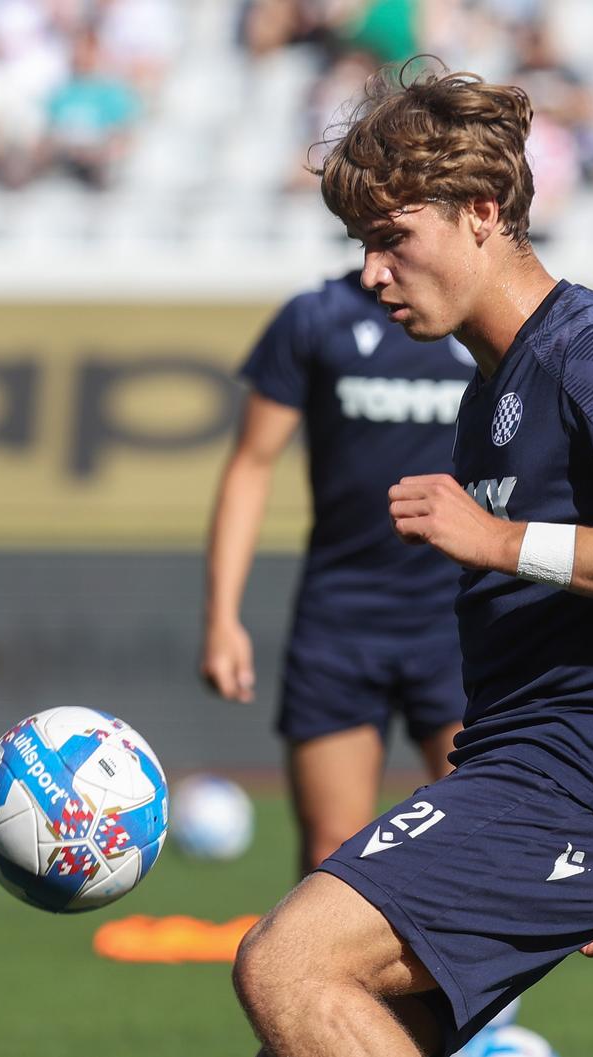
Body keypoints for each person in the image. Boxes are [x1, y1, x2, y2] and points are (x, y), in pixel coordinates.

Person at [232, 68, 593, 1057]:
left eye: (392, 240)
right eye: (361, 247)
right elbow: (528, 661)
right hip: (534, 798)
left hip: (578, 795)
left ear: (481, 214)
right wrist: (533, 875)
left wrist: (501, 540)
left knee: (285, 963)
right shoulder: (490, 400)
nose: (374, 274)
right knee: (308, 1032)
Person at [201, 270, 473, 878]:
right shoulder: (314, 318)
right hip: (340, 616)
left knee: (484, 846)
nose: (379, 258)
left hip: (462, 618)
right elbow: (251, 463)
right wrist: (222, 618)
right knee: (332, 856)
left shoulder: (477, 315)